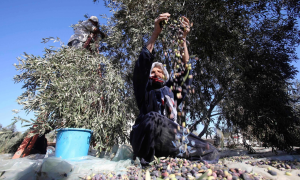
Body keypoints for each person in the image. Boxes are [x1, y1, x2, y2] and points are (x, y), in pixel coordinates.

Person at [130, 13, 219, 166]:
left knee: (210, 150)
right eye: (152, 72)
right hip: (145, 135)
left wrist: (183, 40)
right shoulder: (144, 91)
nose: (156, 73)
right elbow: (142, 66)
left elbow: (186, 70)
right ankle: (147, 160)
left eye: (160, 72)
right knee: (152, 118)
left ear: (165, 77)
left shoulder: (172, 91)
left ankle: (171, 155)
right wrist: (155, 34)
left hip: (169, 136)